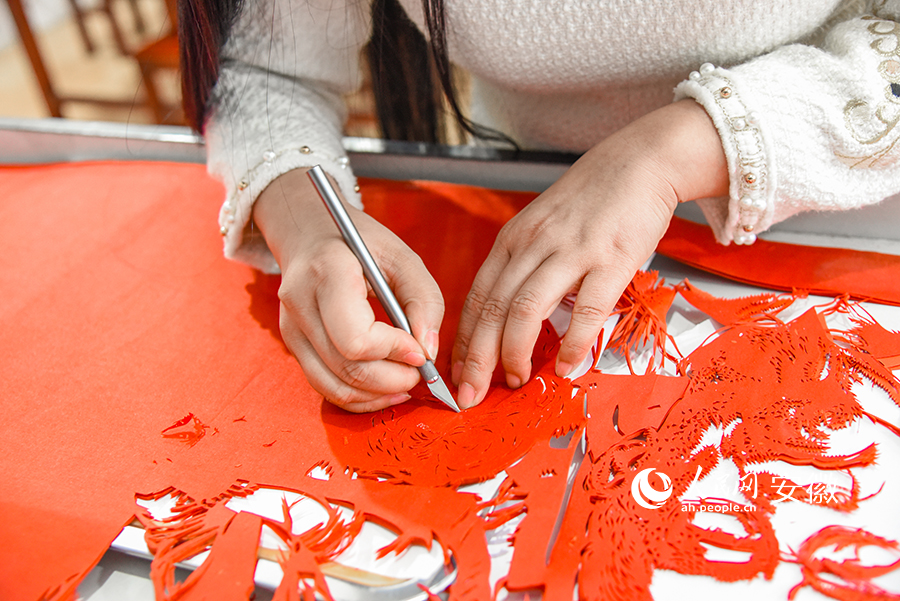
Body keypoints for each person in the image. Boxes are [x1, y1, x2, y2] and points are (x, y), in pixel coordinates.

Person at [178, 0, 900, 412]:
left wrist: (672, 154)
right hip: (521, 207)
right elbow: (263, 70)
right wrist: (306, 225)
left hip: (841, 195)